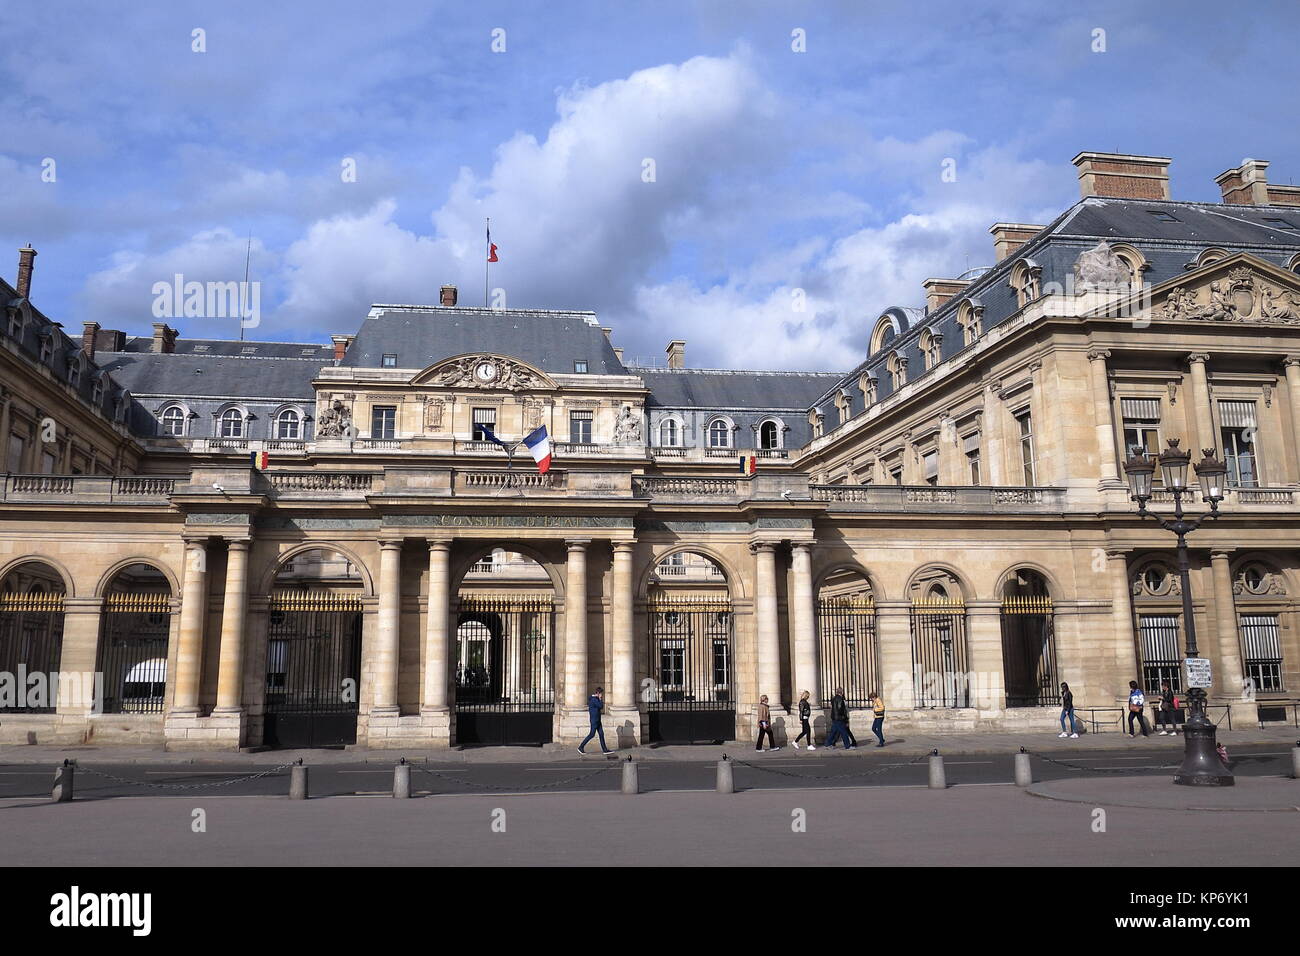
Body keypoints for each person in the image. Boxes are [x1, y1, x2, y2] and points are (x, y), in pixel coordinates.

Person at [578, 687, 614, 755]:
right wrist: (600, 699)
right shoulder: (594, 700)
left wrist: (597, 697)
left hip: (597, 720)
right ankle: (581, 747)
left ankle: (605, 750)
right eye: (601, 693)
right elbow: (601, 706)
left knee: (601, 734)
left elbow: (591, 699)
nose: (602, 695)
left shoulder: (594, 698)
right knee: (591, 734)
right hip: (594, 720)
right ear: (598, 693)